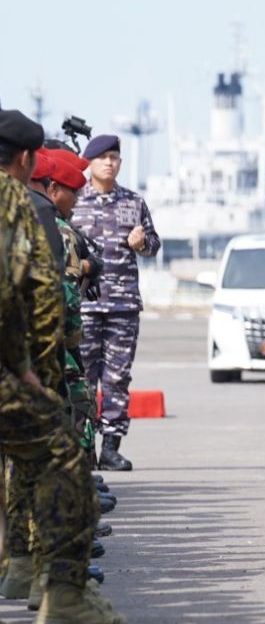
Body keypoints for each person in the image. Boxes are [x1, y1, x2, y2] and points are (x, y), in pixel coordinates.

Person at [0, 108, 126, 624]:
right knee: (63, 461)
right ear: (28, 161)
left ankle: (24, 571)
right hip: (16, 369)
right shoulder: (15, 203)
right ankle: (63, 596)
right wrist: (27, 369)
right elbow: (24, 294)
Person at [72, 133, 160, 472]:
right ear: (90, 162)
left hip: (122, 306)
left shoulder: (134, 203)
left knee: (118, 378)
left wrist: (141, 244)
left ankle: (111, 446)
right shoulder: (76, 200)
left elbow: (154, 244)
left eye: (114, 157)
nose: (110, 162)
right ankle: (84, 448)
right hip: (86, 306)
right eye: (103, 157)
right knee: (84, 379)